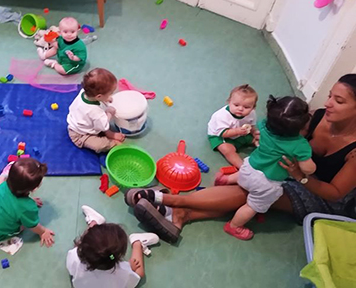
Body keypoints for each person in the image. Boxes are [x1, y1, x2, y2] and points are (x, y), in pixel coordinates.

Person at [125, 74, 356, 243]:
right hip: (289, 171)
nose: (327, 103)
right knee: (255, 186)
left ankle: (171, 202)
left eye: (339, 101)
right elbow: (286, 134)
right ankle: (182, 214)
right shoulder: (318, 117)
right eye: (329, 96)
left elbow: (335, 193)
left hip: (323, 197)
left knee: (252, 191)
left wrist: (299, 176)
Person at [219, 96, 317, 240]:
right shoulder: (300, 145)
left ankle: (226, 180)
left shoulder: (263, 125)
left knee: (245, 175)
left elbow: (258, 134)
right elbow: (308, 169)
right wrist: (310, 165)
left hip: (248, 167)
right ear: (302, 127)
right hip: (266, 183)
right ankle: (234, 226)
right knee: (252, 206)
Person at [0, 158, 55, 247]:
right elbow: (33, 226)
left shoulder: (4, 185)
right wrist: (43, 232)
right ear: (34, 188)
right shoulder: (28, 207)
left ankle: (3, 174)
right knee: (24, 224)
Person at [66, 205, 159, 288]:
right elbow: (133, 279)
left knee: (87, 241)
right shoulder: (123, 271)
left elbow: (71, 269)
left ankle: (94, 222)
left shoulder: (74, 255)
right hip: (119, 270)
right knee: (139, 272)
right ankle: (137, 242)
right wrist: (130, 267)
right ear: (117, 256)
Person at [67, 68, 125, 153]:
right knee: (99, 145)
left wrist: (105, 98)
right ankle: (113, 144)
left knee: (99, 122)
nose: (111, 95)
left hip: (86, 123)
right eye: (110, 93)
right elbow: (104, 126)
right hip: (80, 135)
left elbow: (98, 119)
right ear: (99, 96)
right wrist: (109, 113)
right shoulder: (95, 112)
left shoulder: (85, 92)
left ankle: (108, 133)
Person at [207, 84, 259, 168]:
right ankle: (242, 167)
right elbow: (223, 133)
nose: (240, 109)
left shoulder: (251, 114)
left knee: (259, 138)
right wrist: (237, 131)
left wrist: (254, 132)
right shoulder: (222, 116)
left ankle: (267, 151)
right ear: (229, 102)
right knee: (227, 150)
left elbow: (251, 125)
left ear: (253, 107)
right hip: (221, 135)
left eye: (246, 107)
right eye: (236, 105)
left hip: (240, 132)